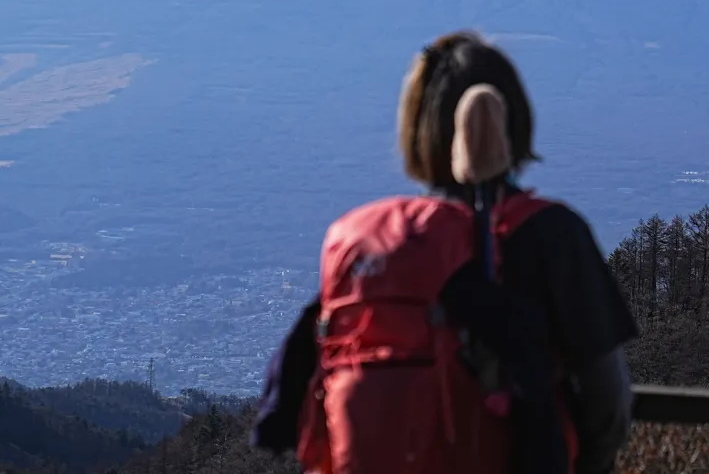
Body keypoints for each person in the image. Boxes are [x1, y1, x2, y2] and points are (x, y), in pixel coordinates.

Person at [252, 31, 637, 474]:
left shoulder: (379, 244)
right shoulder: (550, 234)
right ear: (515, 120)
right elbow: (608, 403)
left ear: (419, 128)